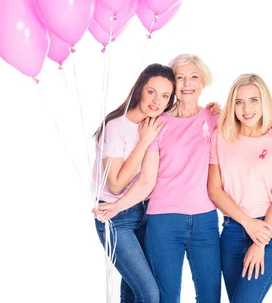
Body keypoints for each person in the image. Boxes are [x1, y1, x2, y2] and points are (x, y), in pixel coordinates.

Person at [95, 54, 221, 303]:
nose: (187, 83)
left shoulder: (216, 118)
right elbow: (144, 181)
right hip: (159, 220)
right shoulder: (154, 124)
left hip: (200, 220)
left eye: (193, 77)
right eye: (180, 77)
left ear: (203, 82)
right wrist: (117, 206)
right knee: (159, 296)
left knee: (208, 297)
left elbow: (249, 135)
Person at [92, 63, 176, 303]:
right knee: (149, 293)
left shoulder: (155, 123)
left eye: (164, 96)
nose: (156, 100)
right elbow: (116, 184)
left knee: (132, 291)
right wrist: (144, 141)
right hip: (115, 218)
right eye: (151, 92)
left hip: (143, 213)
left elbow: (147, 179)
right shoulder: (116, 126)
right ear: (139, 89)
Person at [208, 74, 272, 302]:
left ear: (264, 101)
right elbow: (215, 190)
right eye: (239, 101)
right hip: (233, 230)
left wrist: (259, 241)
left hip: (269, 232)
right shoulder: (220, 137)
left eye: (254, 100)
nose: (247, 108)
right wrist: (247, 223)